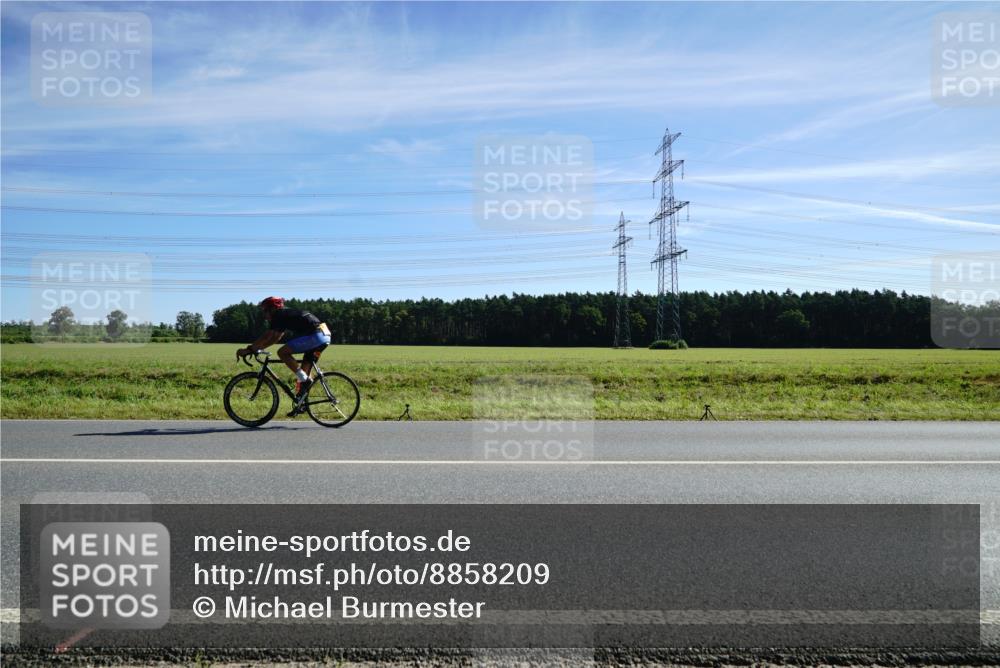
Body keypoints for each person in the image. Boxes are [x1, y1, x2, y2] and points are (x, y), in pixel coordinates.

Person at [237, 297, 331, 408]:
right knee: (303, 375)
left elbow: (269, 336)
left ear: (272, 309)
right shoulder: (285, 314)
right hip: (325, 336)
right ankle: (302, 404)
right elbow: (275, 337)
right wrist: (257, 348)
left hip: (315, 336)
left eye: (265, 311)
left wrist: (250, 349)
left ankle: (305, 383)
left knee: (282, 353)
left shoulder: (279, 315)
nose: (264, 315)